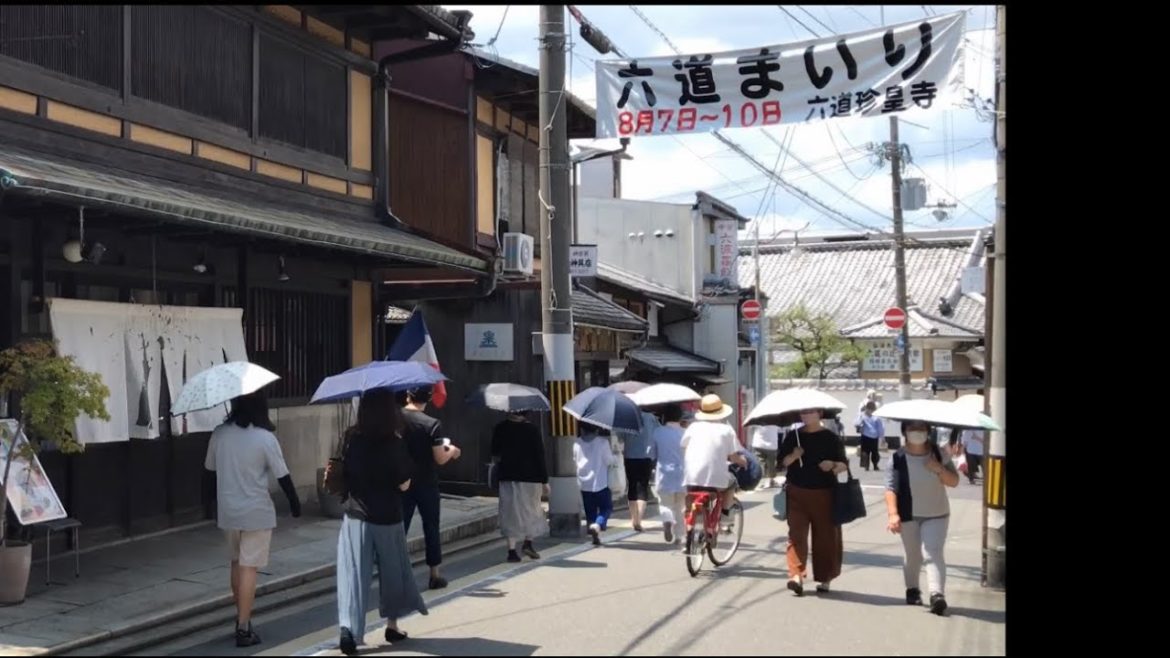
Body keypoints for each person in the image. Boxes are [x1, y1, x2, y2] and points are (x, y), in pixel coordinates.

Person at [204, 392, 300, 648]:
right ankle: (244, 627)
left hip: (228, 510)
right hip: (256, 511)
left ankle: (241, 615)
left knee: (236, 563)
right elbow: (283, 476)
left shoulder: (219, 434)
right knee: (249, 567)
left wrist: (208, 505)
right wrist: (295, 503)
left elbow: (208, 471)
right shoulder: (265, 438)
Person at [336, 389, 427, 654]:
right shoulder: (394, 442)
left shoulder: (351, 438)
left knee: (353, 574)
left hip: (355, 516)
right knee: (393, 573)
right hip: (387, 516)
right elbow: (404, 483)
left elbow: (345, 471)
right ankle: (392, 625)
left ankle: (348, 629)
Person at [884, 420, 960, 616]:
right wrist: (893, 514)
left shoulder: (939, 454)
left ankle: (937, 595)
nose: (917, 432)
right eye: (912, 428)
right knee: (914, 555)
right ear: (904, 432)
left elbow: (954, 482)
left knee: (932, 551)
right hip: (908, 514)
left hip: (937, 513)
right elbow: (891, 488)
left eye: (921, 428)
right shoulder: (897, 457)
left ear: (928, 431)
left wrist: (938, 468)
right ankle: (912, 589)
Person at [777, 408, 848, 596]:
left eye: (810, 412)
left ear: (820, 414)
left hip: (825, 492)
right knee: (796, 535)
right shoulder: (793, 436)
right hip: (796, 491)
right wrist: (794, 456)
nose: (805, 415)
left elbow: (843, 464)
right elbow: (781, 463)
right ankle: (796, 575)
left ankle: (825, 577)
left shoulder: (831, 438)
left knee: (826, 537)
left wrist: (832, 465)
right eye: (803, 413)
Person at [398, 386, 461, 590]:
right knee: (431, 527)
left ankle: (396, 573)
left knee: (399, 528)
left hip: (402, 481)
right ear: (430, 399)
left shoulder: (396, 419)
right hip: (426, 482)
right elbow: (439, 458)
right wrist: (451, 451)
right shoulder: (432, 424)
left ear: (408, 395)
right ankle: (434, 574)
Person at [681, 394, 746, 529]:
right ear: (720, 412)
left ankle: (689, 529)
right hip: (716, 481)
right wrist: (743, 462)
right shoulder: (726, 430)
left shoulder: (693, 428)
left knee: (691, 496)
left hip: (691, 478)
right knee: (732, 483)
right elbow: (734, 457)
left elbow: (684, 446)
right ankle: (725, 519)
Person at [491, 412, 549, 562]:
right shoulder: (532, 430)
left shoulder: (500, 428)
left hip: (507, 476)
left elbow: (494, 452)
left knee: (510, 512)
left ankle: (511, 551)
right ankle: (528, 544)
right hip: (531, 477)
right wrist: (544, 480)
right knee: (532, 510)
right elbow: (539, 456)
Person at [573, 421, 618, 546]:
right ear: (597, 429)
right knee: (606, 507)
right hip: (600, 482)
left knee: (590, 511)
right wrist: (616, 457)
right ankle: (598, 525)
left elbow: (574, 460)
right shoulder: (602, 443)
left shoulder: (577, 443)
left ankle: (594, 535)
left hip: (584, 483)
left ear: (582, 430)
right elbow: (608, 460)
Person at [651, 404, 687, 544]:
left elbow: (652, 453)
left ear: (664, 417)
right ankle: (679, 536)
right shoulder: (685, 433)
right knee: (680, 506)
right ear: (680, 417)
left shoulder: (658, 432)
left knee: (665, 503)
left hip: (664, 473)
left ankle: (667, 520)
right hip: (683, 473)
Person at [620, 410, 659, 532]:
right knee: (643, 486)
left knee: (632, 485)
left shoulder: (627, 416)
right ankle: (639, 520)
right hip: (646, 455)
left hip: (630, 455)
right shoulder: (651, 418)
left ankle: (633, 519)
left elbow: (621, 436)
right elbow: (657, 433)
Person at [855, 402, 885, 471]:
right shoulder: (863, 415)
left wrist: (882, 437)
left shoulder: (876, 417)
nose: (870, 411)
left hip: (871, 436)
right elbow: (857, 423)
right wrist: (882, 436)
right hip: (869, 436)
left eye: (871, 410)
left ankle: (874, 465)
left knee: (872, 452)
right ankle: (868, 466)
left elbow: (880, 427)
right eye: (869, 409)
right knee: (866, 452)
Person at [750, 423, 781, 488]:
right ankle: (771, 480)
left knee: (760, 463)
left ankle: (759, 481)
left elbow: (751, 428)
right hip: (771, 445)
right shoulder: (775, 420)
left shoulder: (758, 419)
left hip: (758, 443)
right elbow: (780, 430)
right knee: (771, 464)